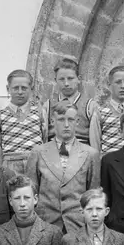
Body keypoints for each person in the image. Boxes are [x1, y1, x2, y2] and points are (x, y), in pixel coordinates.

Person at [28, 101, 100, 236]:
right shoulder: (38, 152)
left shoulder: (91, 154)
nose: (66, 125)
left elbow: (93, 195)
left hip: (78, 226)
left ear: (77, 121)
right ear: (52, 121)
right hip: (45, 225)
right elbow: (31, 193)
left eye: (71, 120)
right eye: (61, 120)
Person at [0, 70, 49, 179]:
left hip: (35, 164)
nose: (20, 92)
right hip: (10, 165)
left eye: (24, 88)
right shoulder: (0, 114)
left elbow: (45, 139)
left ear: (31, 89)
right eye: (15, 88)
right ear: (8, 89)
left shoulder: (40, 112)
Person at [89, 66, 124, 156]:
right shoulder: (100, 111)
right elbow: (95, 145)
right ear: (109, 84)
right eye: (118, 82)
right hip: (108, 165)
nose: (122, 86)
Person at [45, 57, 96, 146]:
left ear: (79, 79)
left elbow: (95, 139)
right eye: (61, 79)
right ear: (55, 80)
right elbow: (44, 136)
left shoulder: (89, 106)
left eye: (70, 78)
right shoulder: (48, 106)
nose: (66, 83)